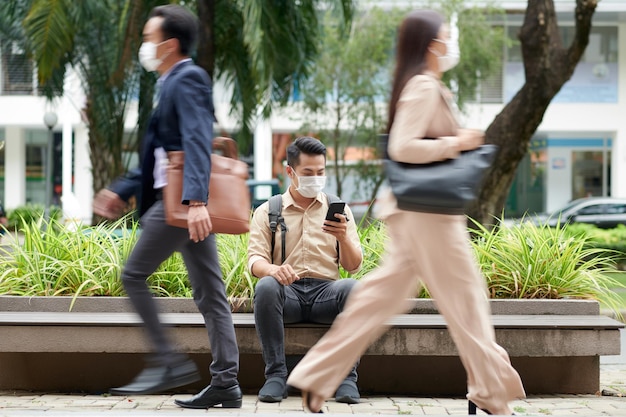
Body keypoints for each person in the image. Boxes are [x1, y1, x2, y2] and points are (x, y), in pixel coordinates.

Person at [286, 10, 526, 415]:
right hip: (428, 215)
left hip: (414, 212)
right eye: (447, 36)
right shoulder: (424, 86)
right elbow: (402, 146)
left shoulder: (421, 85)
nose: (452, 44)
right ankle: (490, 393)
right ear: (433, 45)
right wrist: (457, 142)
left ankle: (316, 377)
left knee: (380, 298)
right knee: (466, 300)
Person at [109, 5, 241, 410]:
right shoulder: (171, 81)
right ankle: (226, 383)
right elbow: (160, 154)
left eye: (149, 39)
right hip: (180, 203)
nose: (145, 46)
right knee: (210, 292)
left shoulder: (188, 78)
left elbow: (198, 140)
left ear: (168, 44)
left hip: (180, 206)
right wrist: (123, 187)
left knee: (133, 275)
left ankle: (168, 361)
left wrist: (197, 202)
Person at [248, 136, 363, 404]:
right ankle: (276, 376)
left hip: (327, 294)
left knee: (354, 289)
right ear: (290, 172)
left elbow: (353, 266)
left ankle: (346, 378)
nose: (315, 178)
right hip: (287, 293)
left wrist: (344, 237)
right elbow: (255, 261)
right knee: (265, 285)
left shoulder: (339, 210)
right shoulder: (268, 210)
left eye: (320, 172)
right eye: (307, 173)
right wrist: (274, 270)